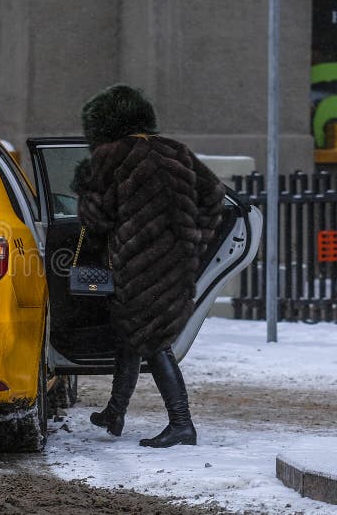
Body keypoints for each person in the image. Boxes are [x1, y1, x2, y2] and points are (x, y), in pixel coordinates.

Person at [72, 84, 225, 448]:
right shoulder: (176, 150)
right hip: (176, 261)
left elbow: (97, 219)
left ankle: (181, 423)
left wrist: (84, 191)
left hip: (137, 264)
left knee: (154, 341)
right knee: (132, 335)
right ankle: (115, 411)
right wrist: (194, 238)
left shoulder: (111, 156)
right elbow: (215, 194)